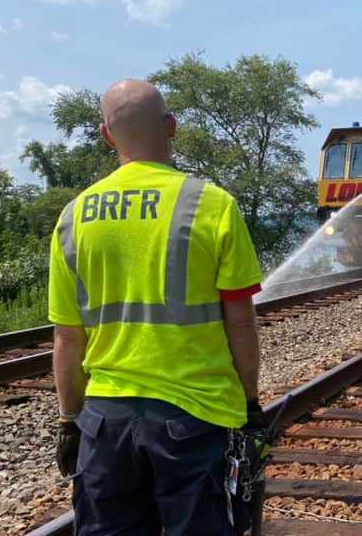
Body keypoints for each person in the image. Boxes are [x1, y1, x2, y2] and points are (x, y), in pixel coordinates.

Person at [49, 79, 264, 536]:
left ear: (106, 135)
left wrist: (70, 421)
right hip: (198, 418)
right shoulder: (212, 205)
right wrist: (249, 403)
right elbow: (240, 324)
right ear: (173, 126)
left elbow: (68, 339)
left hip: (106, 425)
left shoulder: (73, 217)